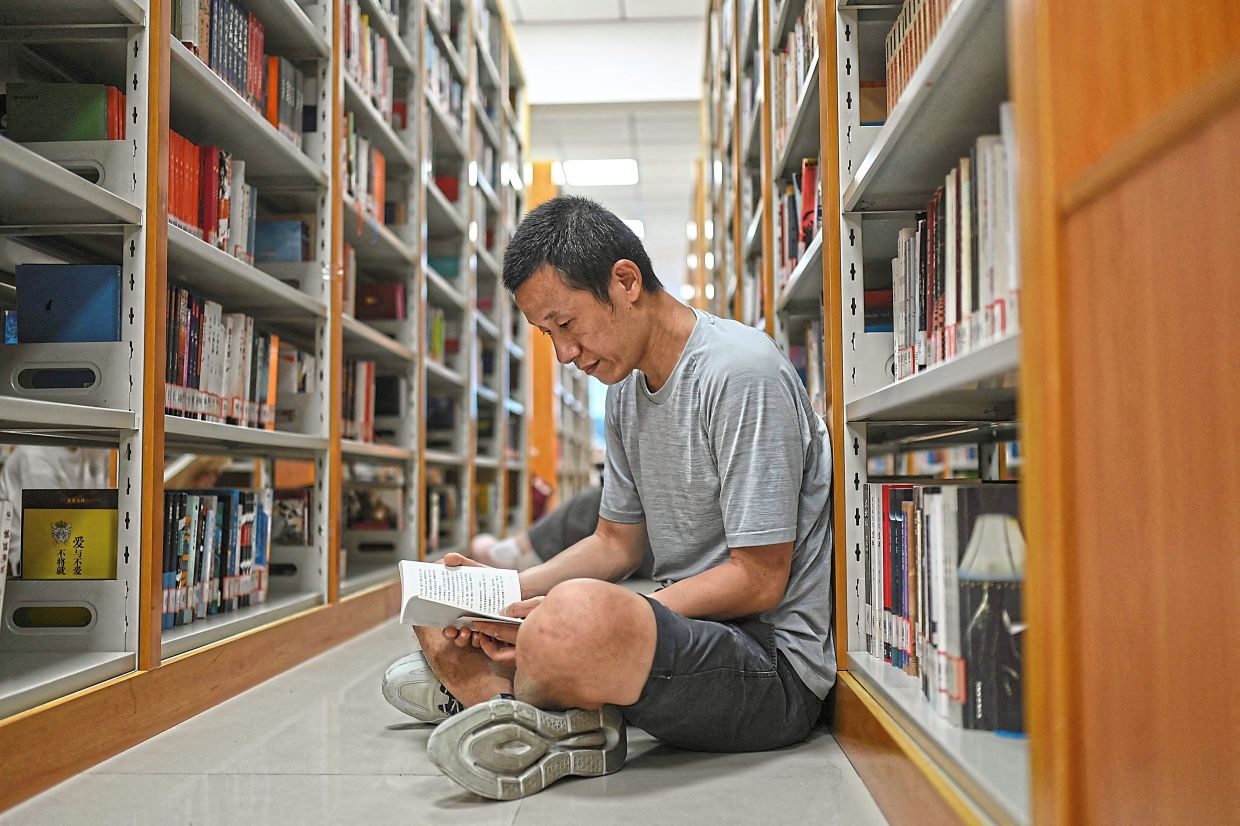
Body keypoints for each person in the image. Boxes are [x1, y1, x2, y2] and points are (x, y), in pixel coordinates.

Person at [384, 196, 835, 801]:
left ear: (625, 281)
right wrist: (504, 592)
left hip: (765, 662)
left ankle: (508, 690)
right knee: (444, 599)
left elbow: (758, 580)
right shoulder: (623, 391)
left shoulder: (740, 374)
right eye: (546, 335)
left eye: (565, 325)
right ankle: (543, 704)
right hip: (677, 634)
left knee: (574, 620)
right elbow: (613, 543)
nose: (564, 355)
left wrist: (591, 616)